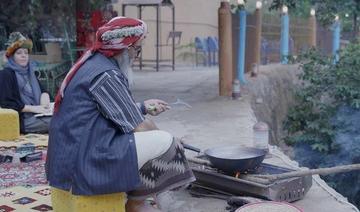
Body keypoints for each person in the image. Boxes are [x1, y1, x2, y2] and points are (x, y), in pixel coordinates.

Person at [46, 17, 195, 212]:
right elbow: (139, 126)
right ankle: (134, 205)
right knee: (164, 142)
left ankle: (139, 201)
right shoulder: (106, 75)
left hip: (73, 154)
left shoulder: (93, 62)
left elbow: (105, 108)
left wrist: (141, 106)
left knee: (153, 141)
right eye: (137, 50)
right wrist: (173, 143)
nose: (137, 56)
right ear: (124, 49)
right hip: (85, 160)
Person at [0, 32, 51, 134]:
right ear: (12, 56)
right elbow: (7, 103)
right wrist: (35, 109)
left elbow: (43, 91)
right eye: (19, 53)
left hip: (38, 115)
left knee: (64, 115)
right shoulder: (6, 74)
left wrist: (45, 99)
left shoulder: (30, 72)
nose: (23, 56)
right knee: (58, 122)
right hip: (22, 120)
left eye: (26, 53)